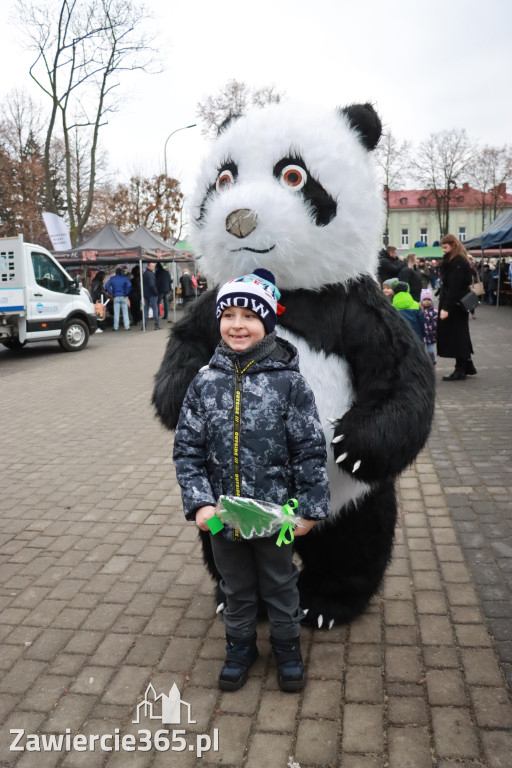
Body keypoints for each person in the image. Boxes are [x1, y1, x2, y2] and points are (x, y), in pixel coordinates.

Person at [173, 269, 330, 693]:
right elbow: (187, 451)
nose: (237, 324)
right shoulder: (205, 383)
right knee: (236, 587)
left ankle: (287, 648)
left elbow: (310, 450)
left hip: (277, 517)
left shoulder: (290, 383)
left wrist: (310, 509)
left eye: (249, 315)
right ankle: (240, 646)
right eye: (229, 315)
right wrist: (200, 504)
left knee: (280, 584)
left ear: (267, 323)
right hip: (224, 517)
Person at [437, 234, 476, 381]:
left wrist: (446, 308)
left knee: (457, 336)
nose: (443, 250)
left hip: (455, 305)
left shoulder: (457, 261)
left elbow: (454, 287)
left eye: (445, 247)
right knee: (460, 334)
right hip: (457, 304)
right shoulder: (456, 259)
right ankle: (466, 365)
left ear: (453, 245)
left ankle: (460, 369)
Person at [420, 288, 438, 364]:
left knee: (430, 351)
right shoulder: (419, 311)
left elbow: (437, 323)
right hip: (422, 335)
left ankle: (432, 363)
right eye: (424, 300)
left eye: (429, 299)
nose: (427, 301)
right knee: (421, 351)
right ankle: (423, 365)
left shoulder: (435, 311)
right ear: (421, 301)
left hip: (431, 336)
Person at [142, 263, 161, 330]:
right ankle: (156, 325)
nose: (153, 267)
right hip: (152, 294)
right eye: (152, 266)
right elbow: (152, 284)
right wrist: (156, 292)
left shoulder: (144, 274)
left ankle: (144, 325)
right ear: (148, 266)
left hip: (145, 294)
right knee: (155, 309)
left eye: (154, 266)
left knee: (146, 309)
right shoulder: (150, 274)